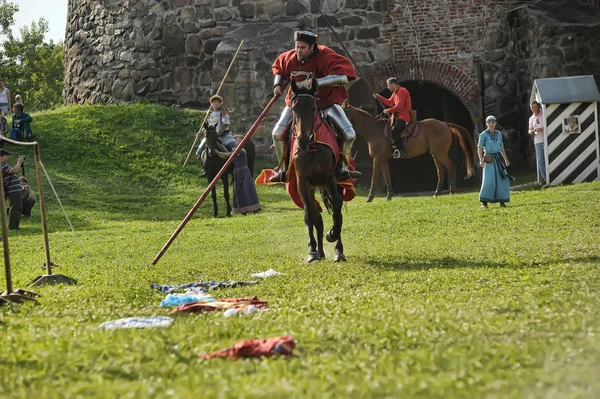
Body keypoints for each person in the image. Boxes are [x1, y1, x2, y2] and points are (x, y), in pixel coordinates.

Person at [269, 30, 361, 182]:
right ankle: (283, 170)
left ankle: (343, 170)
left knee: (349, 134)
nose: (298, 51)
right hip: (297, 105)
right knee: (277, 134)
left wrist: (318, 82)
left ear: (312, 47)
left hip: (325, 103)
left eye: (302, 48)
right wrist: (277, 85)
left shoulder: (326, 56)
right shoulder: (290, 57)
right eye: (297, 47)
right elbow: (280, 69)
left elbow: (343, 77)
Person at [215, 135, 261, 215]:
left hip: (244, 172)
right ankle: (242, 209)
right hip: (237, 172)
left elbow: (230, 155)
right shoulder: (235, 150)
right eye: (236, 141)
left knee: (247, 189)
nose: (237, 142)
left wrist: (219, 153)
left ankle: (254, 208)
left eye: (239, 141)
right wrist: (218, 154)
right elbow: (226, 155)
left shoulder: (242, 151)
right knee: (238, 191)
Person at [477, 115, 514, 208]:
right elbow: (480, 147)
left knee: (502, 179)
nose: (491, 124)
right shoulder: (483, 135)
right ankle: (484, 202)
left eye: (493, 122)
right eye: (489, 122)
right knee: (489, 181)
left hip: (497, 159)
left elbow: (501, 147)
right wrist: (481, 160)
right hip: (489, 159)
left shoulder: (498, 134)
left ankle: (502, 201)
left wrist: (505, 158)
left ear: (495, 123)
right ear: (486, 123)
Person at [196, 95, 236, 175]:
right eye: (214, 102)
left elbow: (225, 124)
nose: (216, 104)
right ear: (212, 103)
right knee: (199, 152)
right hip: (210, 136)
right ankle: (206, 168)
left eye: (218, 102)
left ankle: (233, 167)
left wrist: (217, 134)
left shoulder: (224, 112)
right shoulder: (209, 113)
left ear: (220, 103)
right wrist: (201, 132)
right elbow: (207, 125)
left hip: (223, 134)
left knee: (233, 148)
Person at [373, 77, 412, 158]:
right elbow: (389, 102)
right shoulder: (395, 93)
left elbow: (399, 106)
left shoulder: (402, 91)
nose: (388, 87)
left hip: (404, 116)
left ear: (393, 84)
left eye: (388, 85)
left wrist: (389, 110)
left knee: (395, 131)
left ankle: (401, 151)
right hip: (398, 116)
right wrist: (379, 97)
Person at [0, 149, 24, 229]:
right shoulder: (1, 165)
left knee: (16, 206)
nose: (8, 156)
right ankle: (13, 226)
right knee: (16, 206)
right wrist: (19, 162)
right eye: (6, 155)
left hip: (12, 189)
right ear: (1, 156)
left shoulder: (3, 164)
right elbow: (14, 170)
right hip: (12, 190)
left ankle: (13, 225)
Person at [528, 101, 546, 185]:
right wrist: (531, 131)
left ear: (538, 106)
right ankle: (546, 179)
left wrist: (541, 129)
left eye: (535, 106)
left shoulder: (544, 114)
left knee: (548, 159)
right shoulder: (531, 118)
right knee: (540, 161)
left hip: (546, 139)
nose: (533, 108)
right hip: (537, 141)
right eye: (532, 107)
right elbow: (529, 130)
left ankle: (551, 177)